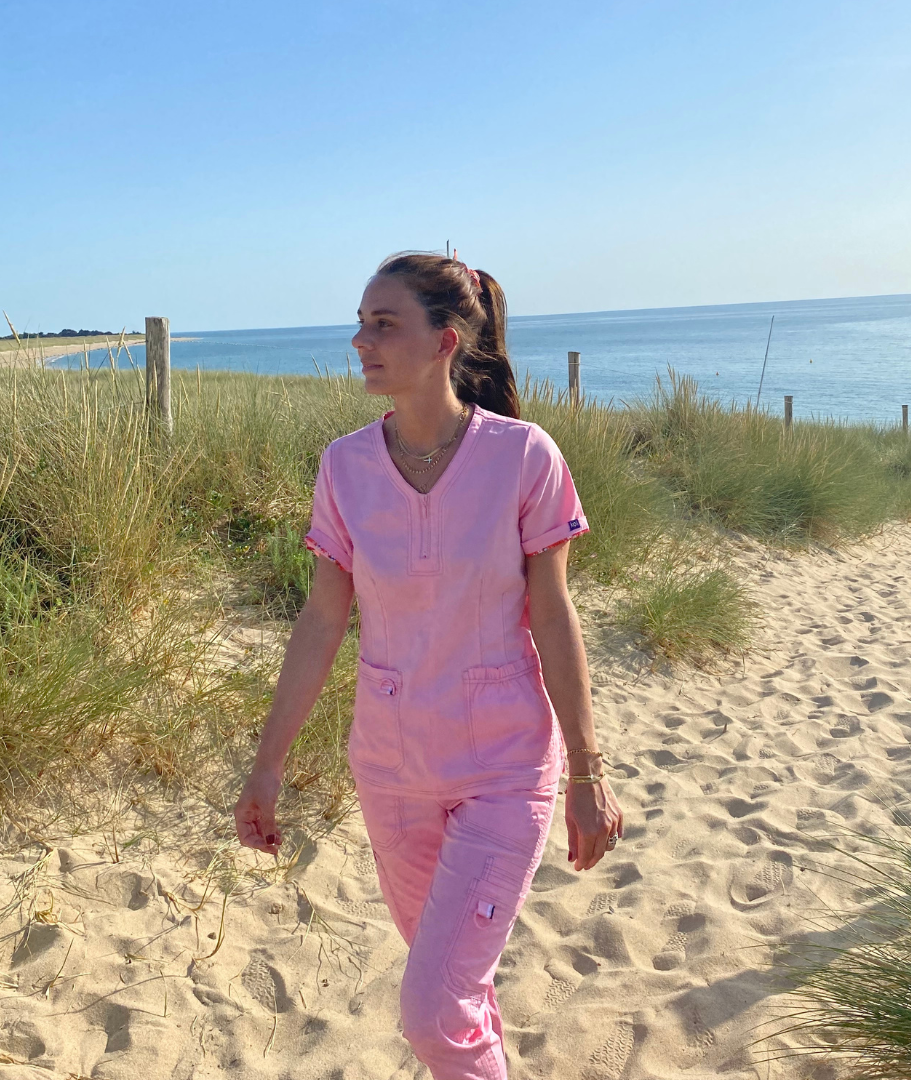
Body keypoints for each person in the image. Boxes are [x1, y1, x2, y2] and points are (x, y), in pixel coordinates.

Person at [235, 252, 624, 1079]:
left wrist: (588, 773)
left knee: (431, 1009)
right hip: (390, 769)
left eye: (384, 325)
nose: (360, 341)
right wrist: (266, 766)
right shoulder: (343, 466)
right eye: (361, 322)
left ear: (445, 340)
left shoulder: (524, 457)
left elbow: (552, 616)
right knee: (454, 993)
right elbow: (320, 620)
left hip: (504, 768)